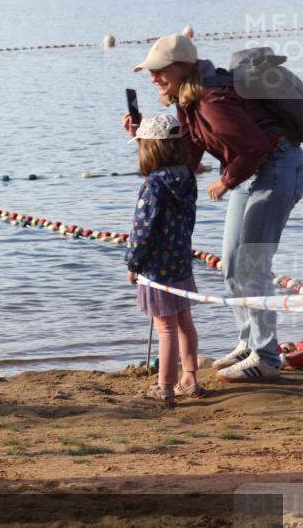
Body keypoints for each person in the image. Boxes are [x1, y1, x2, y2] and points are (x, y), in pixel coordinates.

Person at [125, 34, 303, 382]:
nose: (153, 78)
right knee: (232, 266)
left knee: (252, 262)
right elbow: (185, 160)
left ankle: (266, 356)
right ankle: (248, 342)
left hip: (277, 167)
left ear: (182, 67)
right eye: (151, 72)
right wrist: (140, 138)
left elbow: (255, 147)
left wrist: (225, 181)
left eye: (159, 70)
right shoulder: (187, 102)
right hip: (250, 171)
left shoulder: (211, 100)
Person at [124, 115, 201, 406]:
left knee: (165, 328)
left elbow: (143, 231)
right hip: (181, 259)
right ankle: (190, 378)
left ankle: (165, 386)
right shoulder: (187, 176)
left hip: (157, 267)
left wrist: (132, 263)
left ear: (150, 150)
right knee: (184, 322)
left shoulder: (152, 186)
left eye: (142, 146)